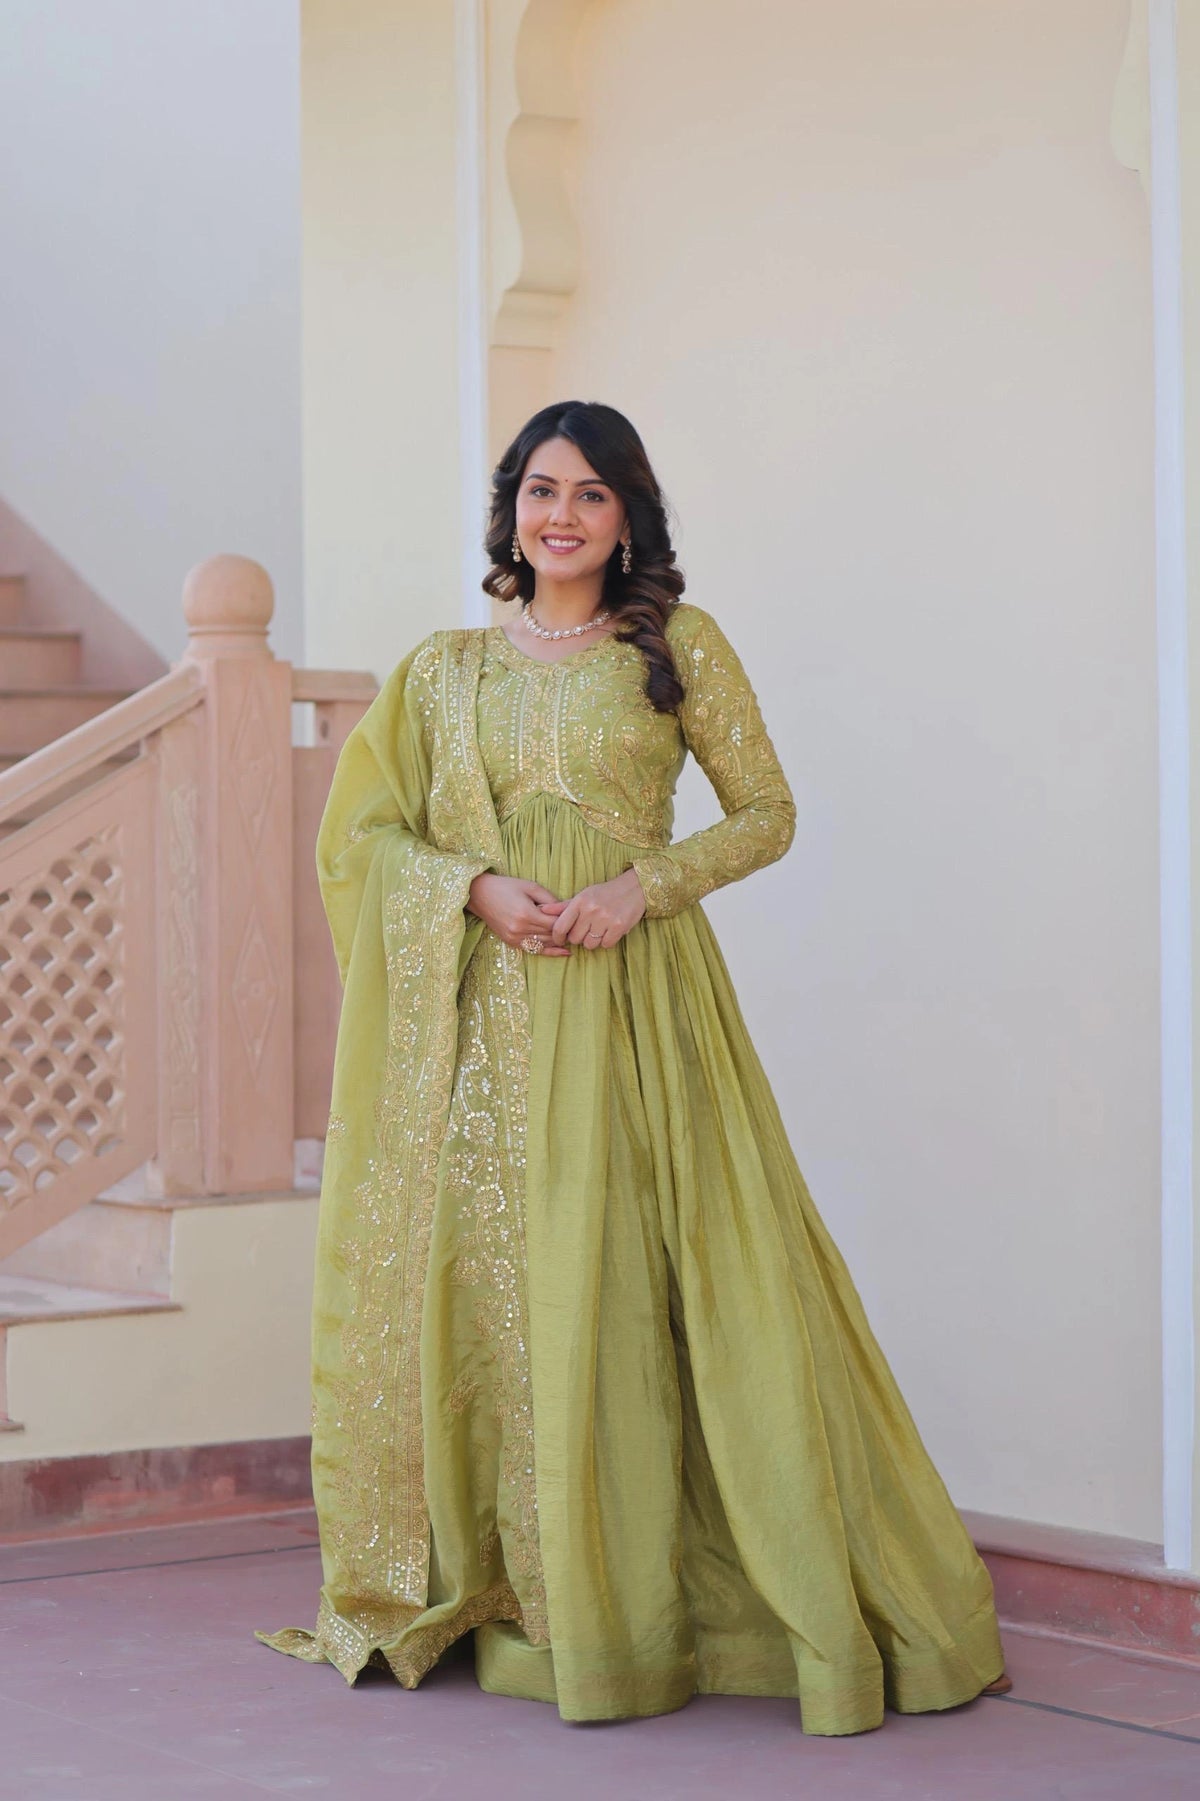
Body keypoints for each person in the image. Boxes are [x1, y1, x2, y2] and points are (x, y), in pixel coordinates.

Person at [257, 400, 1009, 1735]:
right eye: (542, 490)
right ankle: (530, 1605)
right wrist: (473, 885)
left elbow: (769, 810)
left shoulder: (676, 646)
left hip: (638, 1006)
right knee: (510, 1290)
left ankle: (676, 1614)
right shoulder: (440, 672)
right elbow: (359, 835)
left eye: (592, 495)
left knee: (677, 1275)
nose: (562, 515)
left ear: (628, 517)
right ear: (509, 510)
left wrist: (643, 888)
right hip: (490, 1025)